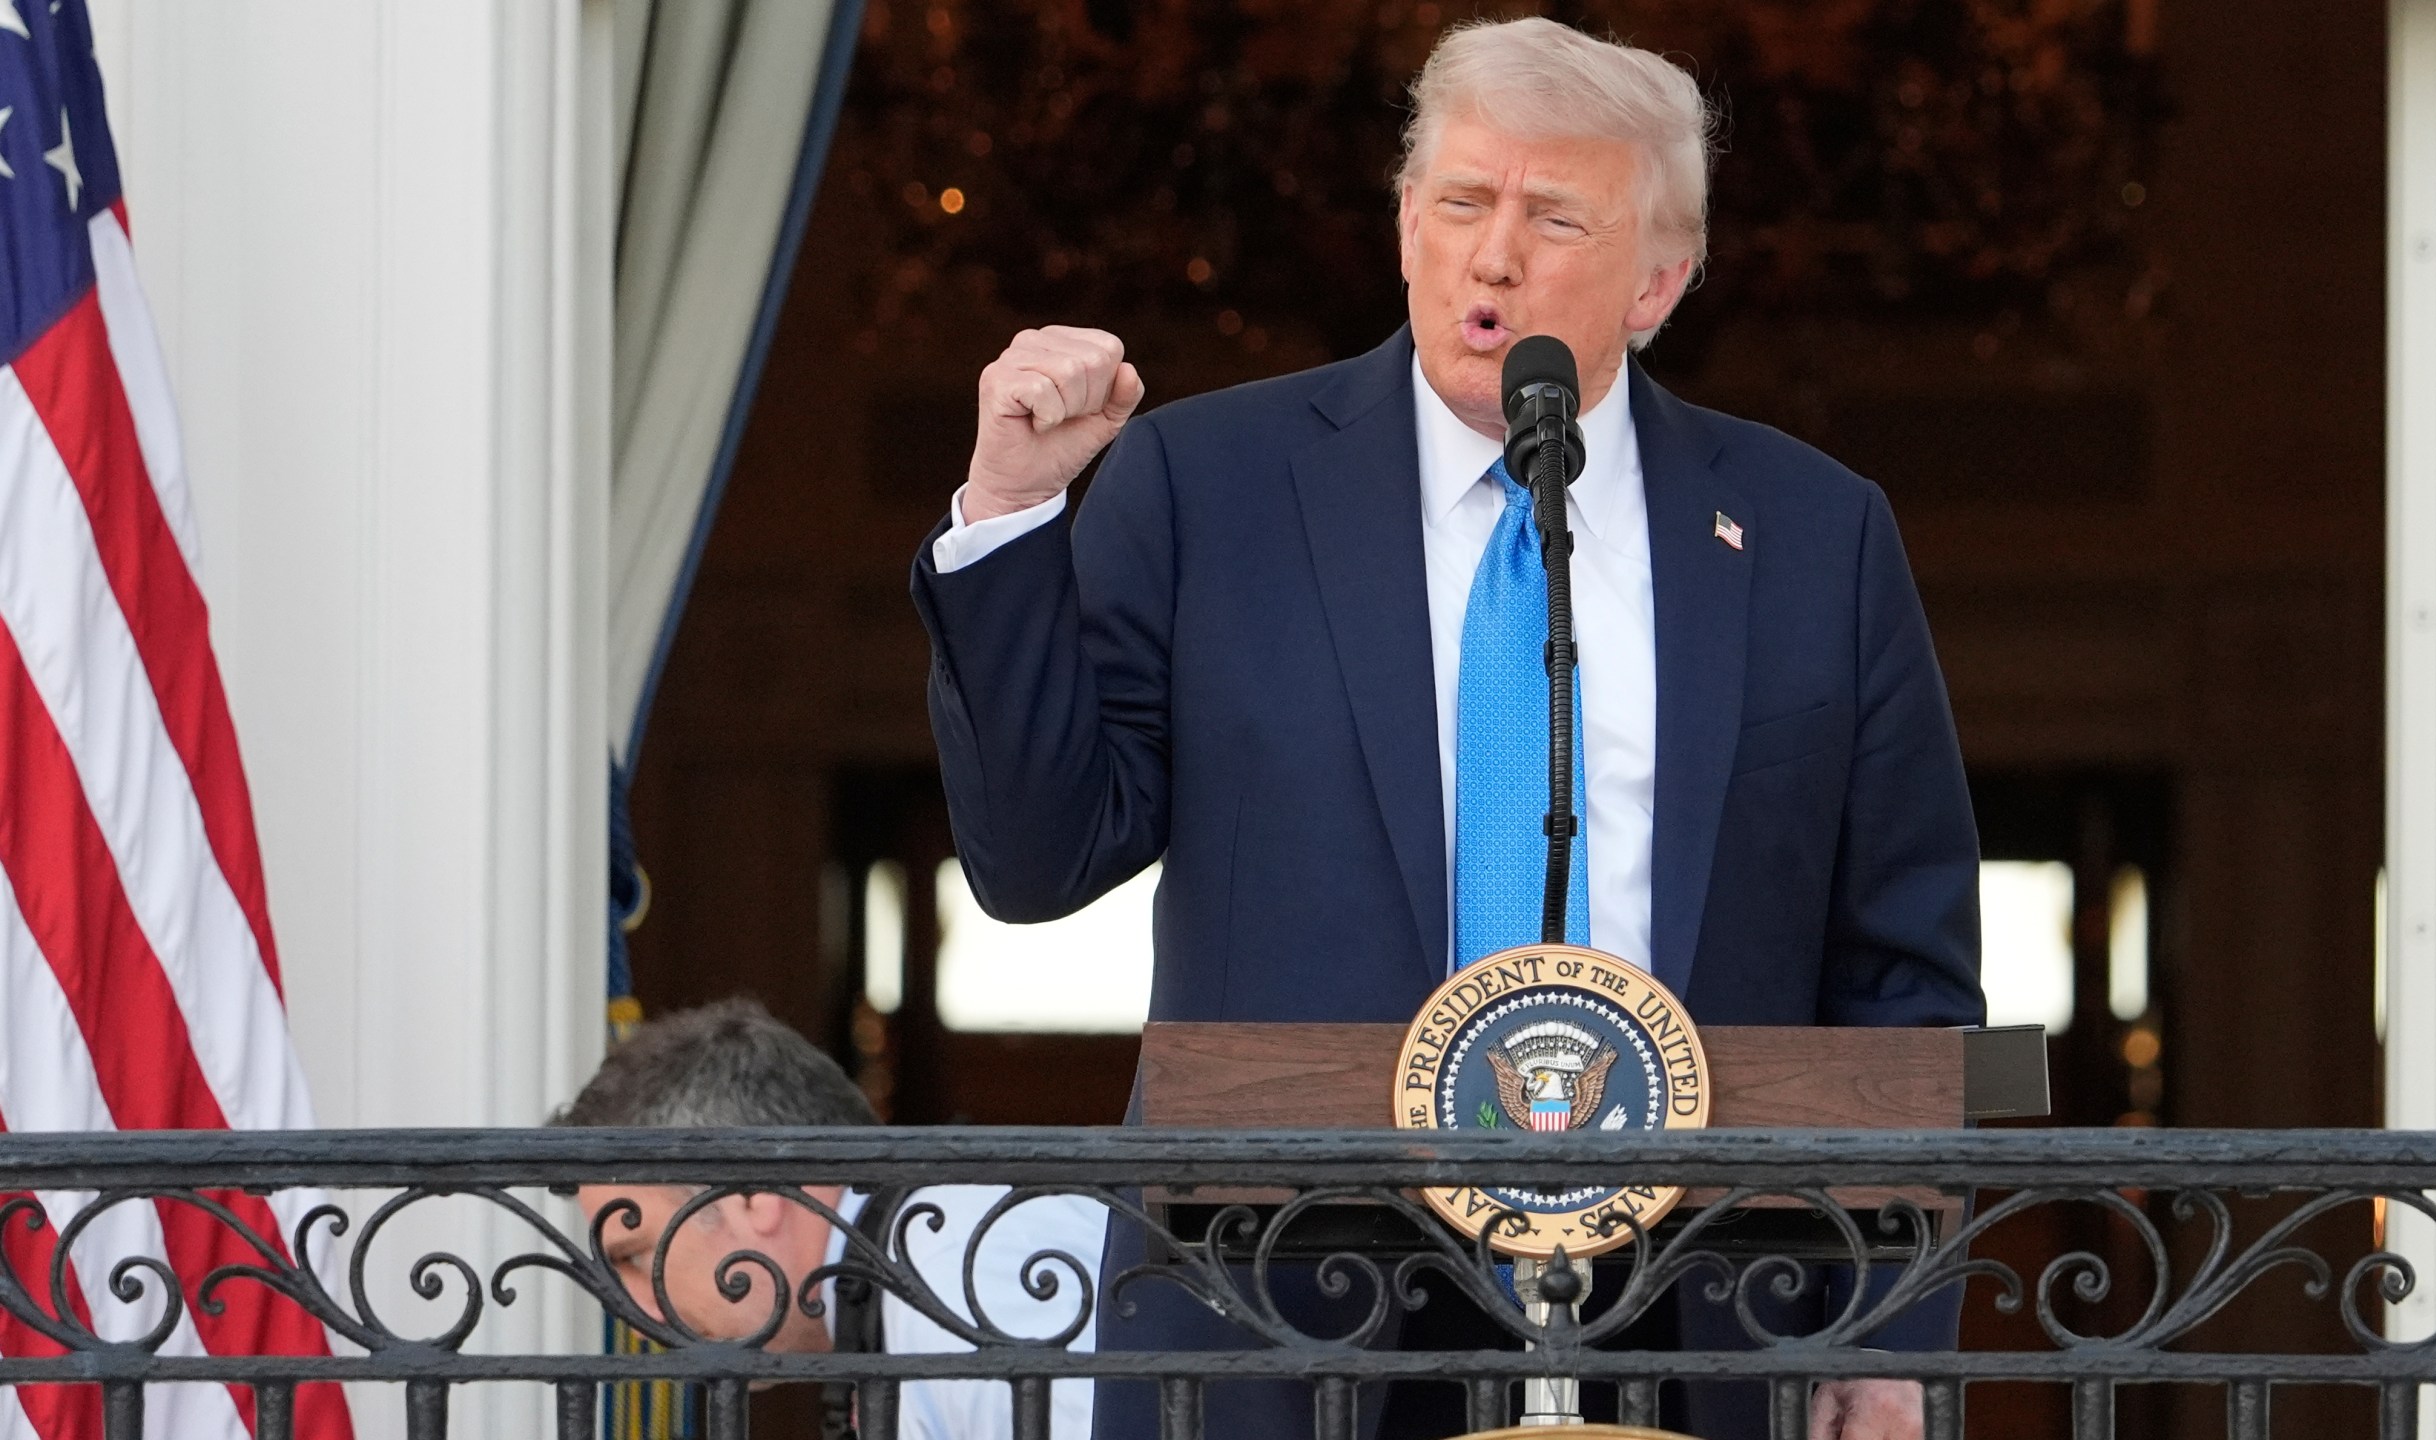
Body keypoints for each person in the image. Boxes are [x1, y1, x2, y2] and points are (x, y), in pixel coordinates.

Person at [909, 17, 1981, 1440]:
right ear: (1406, 224)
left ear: (1657, 282)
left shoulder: (1811, 534)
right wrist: (1010, 517)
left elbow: (1902, 977)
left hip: (1698, 1319)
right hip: (1278, 1312)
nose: (1495, 255)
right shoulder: (1210, 485)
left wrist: (1887, 1335)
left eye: (1554, 217)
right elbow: (1037, 860)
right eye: (1463, 202)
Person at [556, 1000, 1110, 1440]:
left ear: (753, 1193)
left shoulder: (955, 1274)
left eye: (636, 1253)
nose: (636, 1314)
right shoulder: (920, 1267)